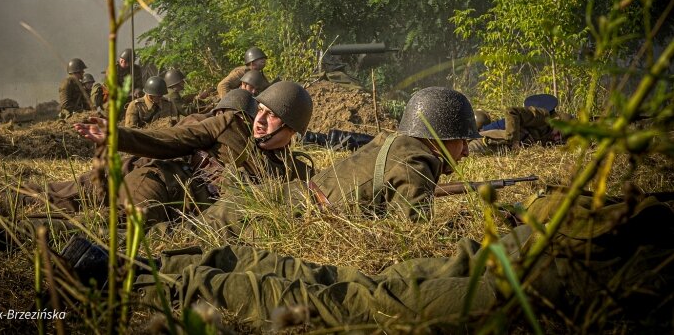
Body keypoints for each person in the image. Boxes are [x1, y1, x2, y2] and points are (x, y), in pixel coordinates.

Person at [125, 189, 674, 331]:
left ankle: (162, 269)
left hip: (582, 251)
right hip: (587, 267)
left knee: (357, 289)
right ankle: (145, 280)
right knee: (356, 303)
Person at [199, 87, 480, 235]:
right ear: (439, 136)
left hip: (278, 200)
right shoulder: (417, 162)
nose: (465, 151)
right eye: (462, 141)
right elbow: (414, 237)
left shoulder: (391, 142)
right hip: (280, 213)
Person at [74, 82, 315, 226]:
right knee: (117, 223)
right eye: (259, 111)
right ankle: (40, 232)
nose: (259, 121)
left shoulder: (294, 170)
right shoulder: (231, 123)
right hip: (163, 183)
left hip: (193, 218)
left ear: (291, 128)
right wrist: (119, 136)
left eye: (271, 116)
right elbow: (172, 139)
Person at [470, 93, 567, 154]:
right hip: (487, 137)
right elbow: (511, 113)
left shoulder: (555, 129)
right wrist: (514, 142)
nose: (558, 137)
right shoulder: (540, 117)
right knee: (469, 150)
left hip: (503, 136)